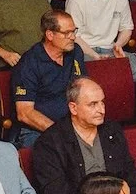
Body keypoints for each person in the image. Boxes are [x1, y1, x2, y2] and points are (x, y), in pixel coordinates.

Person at [33, 78, 136, 194]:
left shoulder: (112, 131)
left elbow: (132, 177)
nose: (101, 110)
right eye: (93, 104)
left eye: (102, 103)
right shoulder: (50, 143)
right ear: (73, 108)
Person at [10, 10, 86, 148]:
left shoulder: (76, 52)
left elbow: (83, 88)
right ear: (50, 34)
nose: (73, 37)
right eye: (67, 33)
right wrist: (62, 133)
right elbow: (25, 113)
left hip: (73, 124)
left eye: (74, 31)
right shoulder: (29, 63)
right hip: (38, 129)